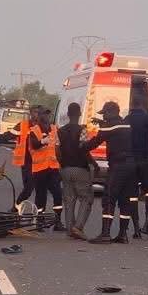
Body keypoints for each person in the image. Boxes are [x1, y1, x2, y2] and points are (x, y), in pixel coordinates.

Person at [82, 100, 137, 244]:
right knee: (125, 200)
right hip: (131, 166)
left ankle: (105, 234)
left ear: (111, 112)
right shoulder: (126, 124)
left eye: (105, 113)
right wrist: (101, 122)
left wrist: (80, 147)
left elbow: (94, 142)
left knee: (109, 198)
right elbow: (111, 128)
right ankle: (123, 234)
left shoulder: (110, 126)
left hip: (118, 166)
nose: (104, 117)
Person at [58, 102, 96, 239]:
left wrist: (61, 163)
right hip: (80, 168)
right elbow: (84, 148)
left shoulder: (60, 131)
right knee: (86, 198)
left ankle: (69, 229)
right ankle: (78, 227)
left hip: (65, 169)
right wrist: (94, 163)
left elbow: (57, 150)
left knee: (69, 199)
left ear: (68, 114)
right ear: (79, 114)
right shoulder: (83, 130)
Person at [126, 90, 148, 238]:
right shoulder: (147, 118)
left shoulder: (126, 118)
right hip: (144, 160)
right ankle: (147, 224)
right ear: (143, 104)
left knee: (132, 194)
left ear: (132, 104)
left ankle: (136, 229)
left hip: (130, 160)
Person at [29, 109, 64, 230]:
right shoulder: (34, 130)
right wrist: (43, 141)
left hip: (53, 167)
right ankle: (39, 221)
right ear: (39, 117)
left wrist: (61, 163)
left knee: (58, 193)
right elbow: (34, 144)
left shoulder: (54, 129)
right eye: (44, 114)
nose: (47, 117)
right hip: (39, 168)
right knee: (41, 195)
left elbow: (58, 147)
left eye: (48, 115)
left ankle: (58, 221)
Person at [15, 106, 40, 205]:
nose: (36, 114)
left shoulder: (42, 126)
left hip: (38, 162)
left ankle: (39, 212)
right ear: (30, 113)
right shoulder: (23, 125)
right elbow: (11, 134)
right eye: (34, 112)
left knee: (36, 188)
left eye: (38, 112)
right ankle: (17, 206)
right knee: (28, 188)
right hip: (26, 161)